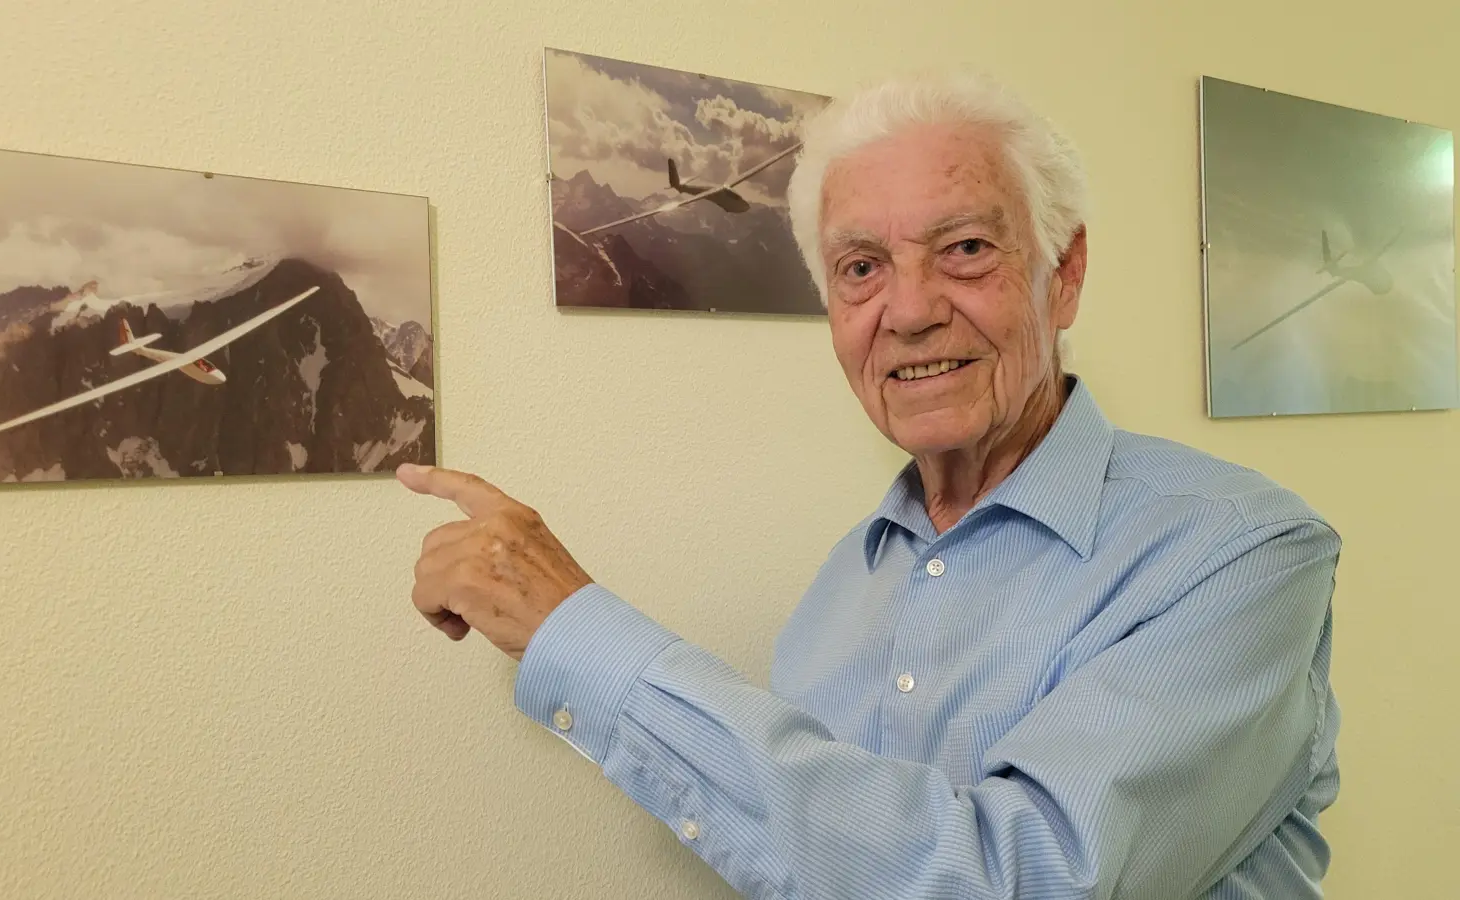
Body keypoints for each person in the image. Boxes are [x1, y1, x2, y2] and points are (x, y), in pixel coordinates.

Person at [394, 67, 1342, 900]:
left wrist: (578, 631)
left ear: (1065, 275)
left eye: (966, 249)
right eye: (861, 268)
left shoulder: (1240, 553)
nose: (913, 311)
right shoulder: (843, 583)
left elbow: (1017, 881)